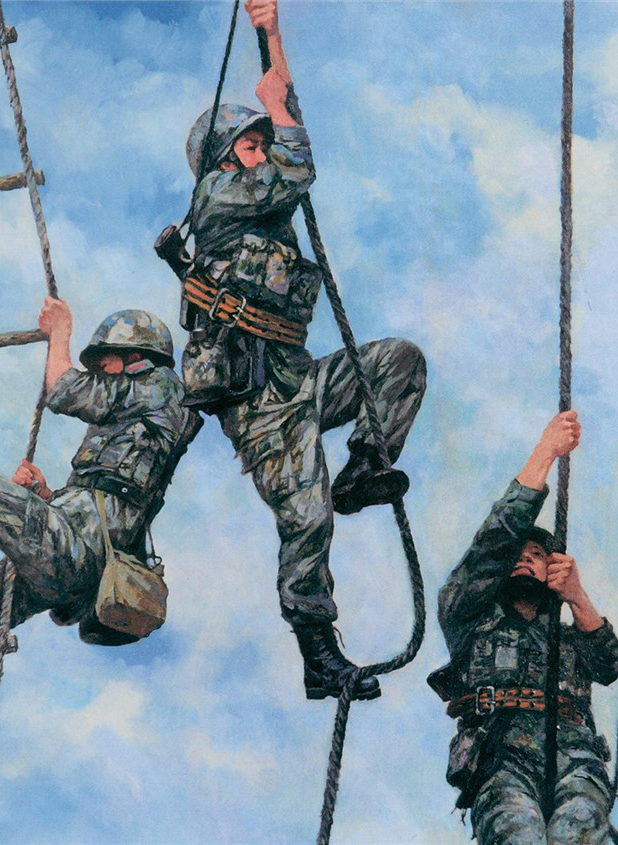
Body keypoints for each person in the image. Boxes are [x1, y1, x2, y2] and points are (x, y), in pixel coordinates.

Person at [168, 0, 426, 701]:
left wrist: (273, 36)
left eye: (262, 142)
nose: (263, 150)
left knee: (397, 361)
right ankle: (318, 653)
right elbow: (296, 161)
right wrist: (275, 104)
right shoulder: (218, 197)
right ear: (223, 159)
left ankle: (365, 468)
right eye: (251, 144)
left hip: (298, 377)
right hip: (259, 402)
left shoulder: (263, 201)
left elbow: (290, 130)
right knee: (307, 519)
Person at [0, 296, 192, 802]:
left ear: (136, 359)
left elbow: (62, 390)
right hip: (77, 547)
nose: (99, 370)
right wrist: (45, 496)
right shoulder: (128, 413)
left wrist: (60, 333)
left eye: (105, 360)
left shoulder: (162, 387)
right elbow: (107, 494)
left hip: (82, 552)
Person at [428, 412, 618, 845]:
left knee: (578, 831)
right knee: (516, 835)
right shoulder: (469, 620)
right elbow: (491, 543)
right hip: (501, 757)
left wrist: (577, 596)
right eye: (516, 554)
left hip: (576, 757)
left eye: (536, 554)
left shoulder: (568, 636)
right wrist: (545, 453)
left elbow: (610, 664)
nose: (523, 558)